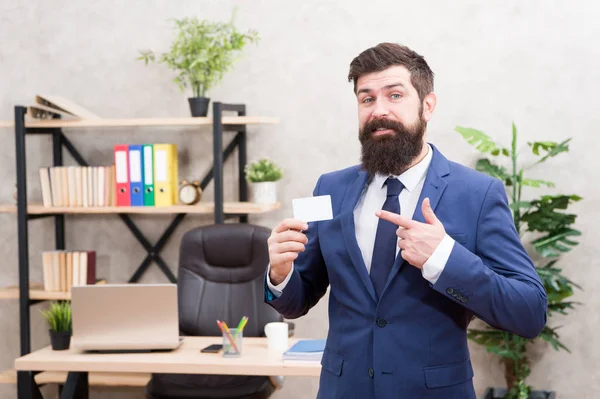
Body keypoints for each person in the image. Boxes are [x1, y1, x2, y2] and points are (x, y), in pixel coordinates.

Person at [264, 42, 547, 399]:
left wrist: (444, 257)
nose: (379, 110)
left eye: (394, 95)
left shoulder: (478, 194)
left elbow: (529, 312)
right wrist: (280, 273)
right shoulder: (329, 188)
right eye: (366, 99)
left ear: (427, 106)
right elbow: (296, 301)